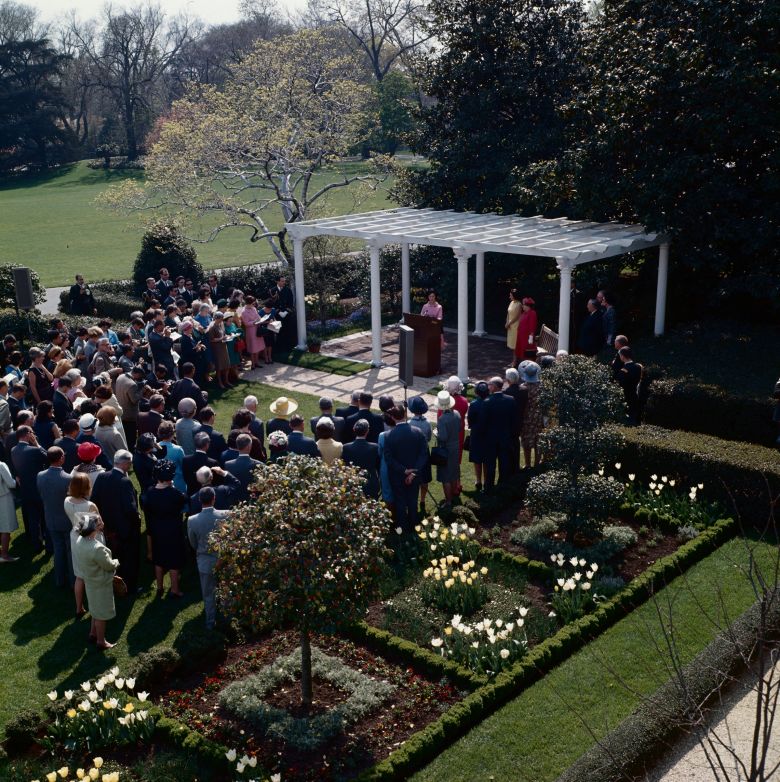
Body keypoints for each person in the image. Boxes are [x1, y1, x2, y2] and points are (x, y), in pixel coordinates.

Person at [91, 449, 142, 594]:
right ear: (125, 464)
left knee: (113, 557)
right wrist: (137, 520)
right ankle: (129, 587)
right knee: (130, 559)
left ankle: (115, 583)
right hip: (126, 529)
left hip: (108, 527)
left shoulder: (102, 477)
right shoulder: (125, 481)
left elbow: (94, 500)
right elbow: (130, 508)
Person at [142, 459, 187, 598]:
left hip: (156, 529)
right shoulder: (175, 494)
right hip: (173, 529)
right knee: (174, 560)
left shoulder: (148, 493)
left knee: (158, 558)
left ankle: (160, 587)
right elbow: (182, 504)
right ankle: (174, 589)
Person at [73, 514, 118, 649]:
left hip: (90, 581)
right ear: (93, 529)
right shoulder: (97, 548)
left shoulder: (79, 541)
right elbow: (108, 565)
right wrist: (116, 562)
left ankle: (93, 633)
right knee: (101, 615)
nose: (101, 523)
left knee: (94, 608)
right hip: (101, 583)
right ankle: (101, 641)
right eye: (98, 523)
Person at [383, 404, 429, 531]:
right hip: (414, 475)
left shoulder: (388, 436)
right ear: (405, 415)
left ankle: (402, 528)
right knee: (413, 500)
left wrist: (404, 471)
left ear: (392, 417)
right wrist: (413, 472)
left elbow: (389, 459)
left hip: (397, 476)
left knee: (400, 502)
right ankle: (413, 526)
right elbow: (423, 454)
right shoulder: (418, 432)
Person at [187, 486, 227, 630]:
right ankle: (227, 619)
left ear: (199, 500)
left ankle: (210, 623)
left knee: (208, 594)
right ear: (214, 498)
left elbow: (193, 542)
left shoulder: (192, 520)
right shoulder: (226, 515)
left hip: (204, 562)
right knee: (226, 590)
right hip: (224, 560)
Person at [65, 473, 102, 617]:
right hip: (91, 539)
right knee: (95, 573)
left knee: (80, 576)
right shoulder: (90, 505)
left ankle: (79, 607)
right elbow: (100, 525)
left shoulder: (67, 501)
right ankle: (97, 605)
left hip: (75, 537)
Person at [37, 446, 74, 587]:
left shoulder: (40, 475)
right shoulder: (68, 478)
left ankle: (60, 580)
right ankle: (72, 581)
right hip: (66, 520)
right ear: (61, 459)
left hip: (50, 518)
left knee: (58, 550)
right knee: (70, 552)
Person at [11, 425, 49, 553]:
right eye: (32, 432)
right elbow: (48, 458)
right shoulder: (34, 450)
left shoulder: (13, 450)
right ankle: (48, 542)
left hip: (25, 489)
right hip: (38, 488)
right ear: (27, 434)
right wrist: (37, 443)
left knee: (33, 518)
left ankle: (36, 544)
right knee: (45, 516)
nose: (33, 434)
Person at [483, 377, 516, 491]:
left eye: (490, 384)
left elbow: (484, 423)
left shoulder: (487, 402)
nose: (488, 386)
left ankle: (489, 488)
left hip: (490, 439)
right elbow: (513, 420)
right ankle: (502, 486)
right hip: (505, 437)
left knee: (490, 464)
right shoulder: (510, 400)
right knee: (504, 463)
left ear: (495, 386)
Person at [434, 391, 461, 508]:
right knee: (454, 473)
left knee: (446, 477)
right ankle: (454, 495)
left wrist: (436, 433)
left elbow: (443, 438)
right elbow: (459, 429)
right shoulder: (457, 413)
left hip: (446, 450)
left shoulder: (442, 419)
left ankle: (448, 501)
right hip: (455, 448)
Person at [342, 419, 380, 498]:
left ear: (354, 429)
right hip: (370, 484)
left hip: (353, 484)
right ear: (367, 431)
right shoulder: (375, 447)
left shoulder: (345, 447)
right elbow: (378, 465)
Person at [407, 396, 432, 513]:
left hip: (412, 453)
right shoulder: (427, 423)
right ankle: (422, 499)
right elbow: (429, 438)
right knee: (425, 478)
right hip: (425, 452)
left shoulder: (409, 423)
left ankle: (415, 500)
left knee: (413, 476)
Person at [502, 368, 528, 474]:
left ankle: (510, 468)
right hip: (520, 420)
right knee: (516, 443)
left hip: (509, 423)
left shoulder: (506, 392)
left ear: (508, 380)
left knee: (509, 446)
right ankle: (516, 466)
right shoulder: (524, 390)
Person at [518, 360, 544, 468]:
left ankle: (527, 464)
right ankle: (537, 463)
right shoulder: (542, 387)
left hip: (526, 416)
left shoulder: (523, 387)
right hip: (538, 416)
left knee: (526, 441)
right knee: (538, 440)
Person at [467, 381, 491, 492]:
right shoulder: (491, 402)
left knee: (477, 459)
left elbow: (470, 421)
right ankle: (486, 481)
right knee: (486, 458)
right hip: (488, 433)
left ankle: (478, 481)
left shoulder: (474, 404)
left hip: (476, 433)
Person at [224, 433, 262, 500]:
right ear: (249, 446)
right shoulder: (259, 465)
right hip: (252, 504)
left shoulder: (227, 465)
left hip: (234, 503)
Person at [183, 431, 218, 495]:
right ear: (207, 445)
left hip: (191, 495)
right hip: (207, 496)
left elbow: (186, 479)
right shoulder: (213, 463)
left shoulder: (186, 460)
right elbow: (215, 482)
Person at [156, 421, 186, 493]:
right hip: (177, 483)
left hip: (160, 483)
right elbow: (184, 466)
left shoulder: (155, 447)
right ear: (172, 434)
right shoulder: (178, 449)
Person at [617, 346, 643, 425]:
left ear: (623, 356)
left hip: (626, 395)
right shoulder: (638, 367)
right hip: (635, 394)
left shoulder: (623, 370)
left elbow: (621, 384)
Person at [207, 311, 232, 389]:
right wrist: (221, 338)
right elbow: (211, 339)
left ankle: (226, 381)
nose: (222, 320)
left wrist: (228, 336)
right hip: (217, 349)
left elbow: (223, 334)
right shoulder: (212, 327)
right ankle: (220, 382)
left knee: (227, 365)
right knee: (219, 367)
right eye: (221, 318)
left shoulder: (221, 325)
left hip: (224, 347)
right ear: (216, 318)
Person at [240, 295, 265, 369]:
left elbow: (258, 317)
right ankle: (253, 364)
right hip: (251, 331)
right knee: (252, 348)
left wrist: (261, 319)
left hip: (257, 329)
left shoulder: (254, 308)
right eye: (252, 303)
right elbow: (246, 323)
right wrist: (254, 322)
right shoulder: (244, 312)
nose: (253, 304)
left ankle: (257, 362)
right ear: (248, 303)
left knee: (258, 347)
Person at [0, 458, 18, 562]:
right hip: (3, 499)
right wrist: (17, 480)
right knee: (5, 528)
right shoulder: (1, 465)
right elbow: (11, 483)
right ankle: (4, 555)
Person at [514, 297, 538, 363]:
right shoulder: (524, 313)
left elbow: (532, 326)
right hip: (521, 337)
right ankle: (520, 363)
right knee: (520, 351)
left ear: (528, 306)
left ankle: (526, 365)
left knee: (526, 352)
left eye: (523, 304)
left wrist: (530, 338)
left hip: (526, 337)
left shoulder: (532, 313)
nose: (522, 306)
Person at [421, 289, 444, 354]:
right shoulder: (425, 306)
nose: (431, 298)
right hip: (427, 324)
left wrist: (433, 320)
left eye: (433, 296)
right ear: (428, 297)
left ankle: (439, 347)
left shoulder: (439, 307)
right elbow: (421, 315)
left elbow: (440, 318)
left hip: (435, 324)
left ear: (435, 297)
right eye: (430, 296)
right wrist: (425, 316)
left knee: (439, 328)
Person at [505, 289, 522, 355]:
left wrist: (509, 323)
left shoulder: (519, 304)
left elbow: (517, 316)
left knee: (515, 344)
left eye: (511, 295)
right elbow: (508, 313)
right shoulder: (511, 302)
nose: (509, 297)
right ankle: (514, 360)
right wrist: (507, 322)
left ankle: (515, 361)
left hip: (515, 325)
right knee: (512, 344)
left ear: (514, 296)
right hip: (510, 325)